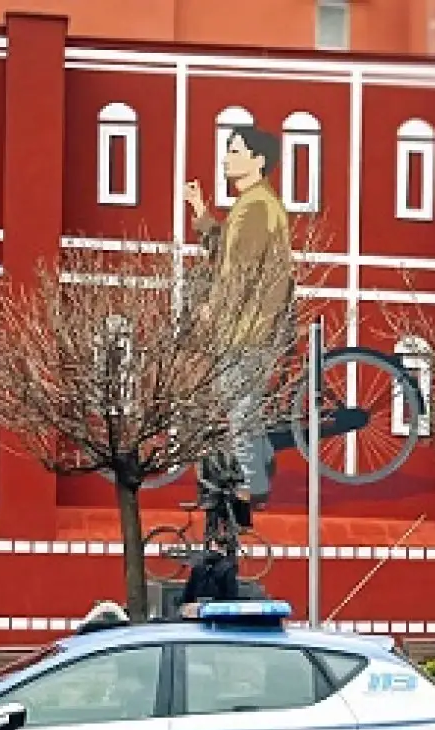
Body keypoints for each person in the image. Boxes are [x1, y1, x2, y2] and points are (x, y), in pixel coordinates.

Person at [183, 124, 295, 505]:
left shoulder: (257, 207)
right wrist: (200, 211)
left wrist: (212, 307)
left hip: (249, 326)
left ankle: (254, 487)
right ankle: (262, 463)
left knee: (239, 408)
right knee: (242, 402)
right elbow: (226, 252)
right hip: (246, 324)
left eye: (234, 151)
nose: (226, 158)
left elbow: (240, 272)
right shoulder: (251, 204)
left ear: (257, 160)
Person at [180, 537, 240, 609]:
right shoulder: (199, 568)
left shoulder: (199, 567)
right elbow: (231, 596)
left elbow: (188, 594)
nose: (211, 550)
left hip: (207, 608)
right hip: (210, 609)